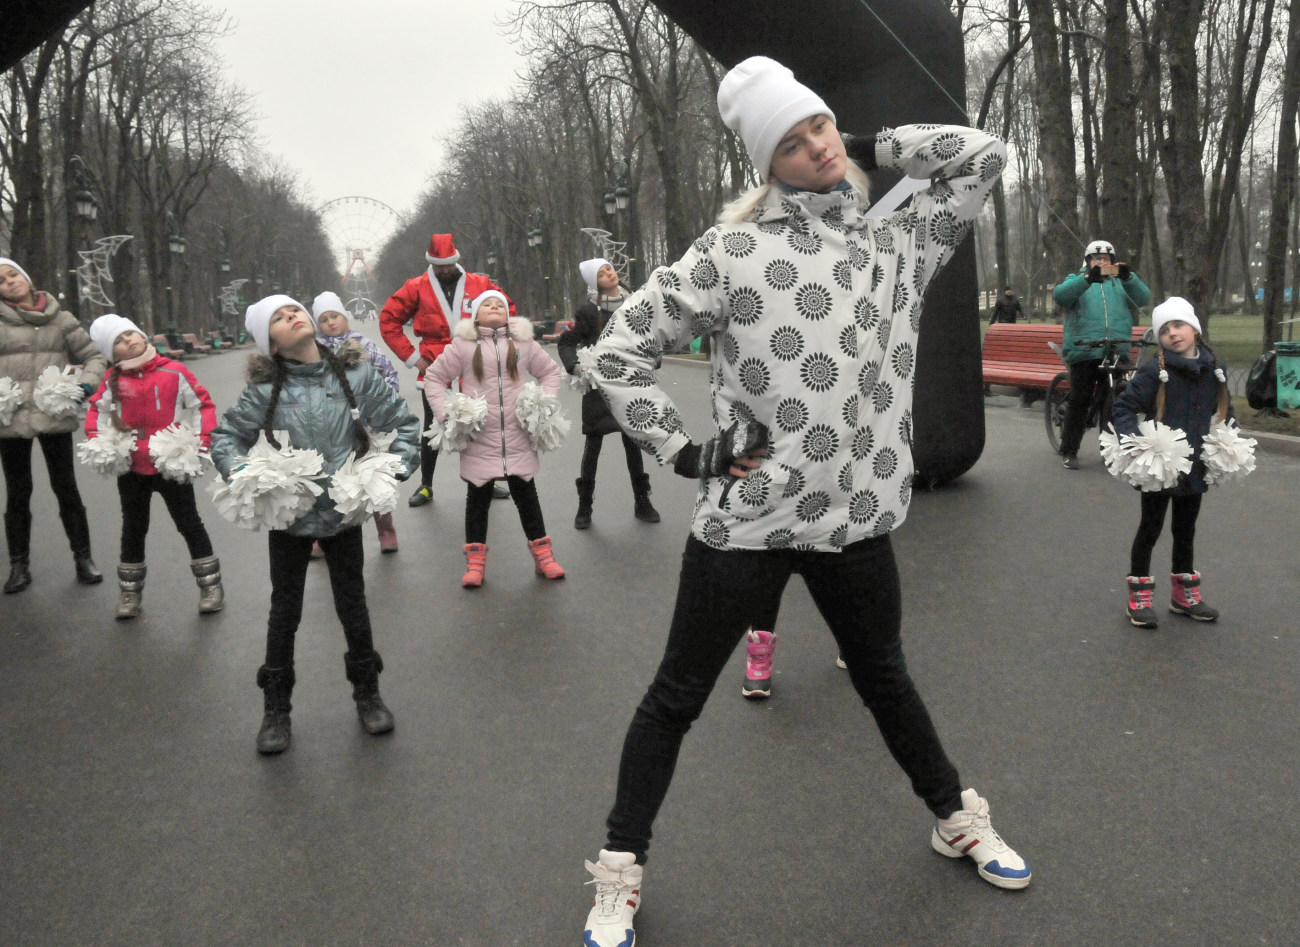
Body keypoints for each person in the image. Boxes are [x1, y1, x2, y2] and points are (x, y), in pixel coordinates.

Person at [576, 56, 1030, 947]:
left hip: (855, 522)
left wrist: (870, 143)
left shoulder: (897, 236)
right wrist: (684, 449)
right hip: (750, 524)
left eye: (818, 124)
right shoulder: (732, 252)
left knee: (886, 678)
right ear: (764, 165)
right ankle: (619, 874)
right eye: (792, 141)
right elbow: (617, 350)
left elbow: (983, 155)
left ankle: (955, 816)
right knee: (675, 698)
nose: (816, 146)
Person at [210, 295, 420, 754]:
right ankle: (276, 709)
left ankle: (368, 694)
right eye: (278, 319)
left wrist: (392, 470)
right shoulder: (263, 391)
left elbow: (404, 424)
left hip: (344, 517)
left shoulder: (355, 375)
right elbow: (226, 438)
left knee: (353, 606)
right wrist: (245, 475)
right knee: (284, 613)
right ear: (271, 343)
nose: (291, 315)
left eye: (293, 309)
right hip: (289, 522)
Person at [424, 291, 566, 587]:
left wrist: (543, 402)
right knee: (477, 499)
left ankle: (544, 558)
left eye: (499, 304)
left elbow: (550, 372)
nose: (494, 307)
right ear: (475, 315)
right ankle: (475, 565)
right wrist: (448, 413)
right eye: (487, 304)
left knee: (527, 497)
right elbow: (435, 379)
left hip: (518, 438)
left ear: (508, 313)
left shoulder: (524, 343)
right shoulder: (462, 346)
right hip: (479, 439)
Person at [84, 314, 222, 618]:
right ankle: (129, 593)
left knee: (189, 523)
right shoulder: (113, 380)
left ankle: (211, 585)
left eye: (130, 334)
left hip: (171, 462)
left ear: (143, 336)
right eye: (118, 341)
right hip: (133, 466)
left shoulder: (174, 371)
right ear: (112, 353)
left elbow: (201, 405)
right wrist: (99, 440)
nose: (128, 341)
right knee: (133, 528)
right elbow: (97, 410)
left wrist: (201, 441)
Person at [1112, 297, 1229, 627]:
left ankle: (1183, 596)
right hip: (1160, 468)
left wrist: (1225, 441)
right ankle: (1139, 595)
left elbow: (1224, 411)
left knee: (1186, 530)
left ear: (1194, 328)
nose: (1173, 333)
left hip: (1195, 465)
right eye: (1164, 330)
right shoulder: (1155, 370)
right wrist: (1134, 443)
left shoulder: (1214, 369)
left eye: (1178, 325)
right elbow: (1122, 408)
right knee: (1150, 528)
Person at [379, 233, 512, 507]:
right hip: (435, 366)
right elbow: (389, 319)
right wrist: (413, 357)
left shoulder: (480, 284)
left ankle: (487, 478)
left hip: (474, 363)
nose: (444, 270)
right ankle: (426, 485)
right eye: (439, 265)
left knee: (482, 424)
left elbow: (505, 308)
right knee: (432, 426)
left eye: (448, 264)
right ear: (431, 263)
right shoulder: (416, 286)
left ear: (456, 260)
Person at [0, 257, 107, 592]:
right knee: (18, 492)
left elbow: (95, 356)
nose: (8, 282)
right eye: (0, 281)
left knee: (66, 487)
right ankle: (19, 566)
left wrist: (84, 387)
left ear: (26, 277)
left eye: (12, 274)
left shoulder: (60, 318)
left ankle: (83, 558)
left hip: (53, 411)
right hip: (11, 416)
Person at [556, 258, 661, 529]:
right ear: (594, 283)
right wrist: (576, 366)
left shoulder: (635, 302)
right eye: (601, 274)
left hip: (629, 385)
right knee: (593, 446)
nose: (608, 275)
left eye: (609, 269)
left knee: (633, 443)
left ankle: (642, 501)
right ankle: (585, 506)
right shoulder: (587, 311)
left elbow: (649, 334)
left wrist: (653, 355)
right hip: (598, 389)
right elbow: (567, 341)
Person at [314, 291, 401, 553]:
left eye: (335, 316)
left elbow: (388, 374)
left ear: (345, 316)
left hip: (365, 426)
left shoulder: (363, 344)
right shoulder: (313, 349)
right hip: (327, 427)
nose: (331, 323)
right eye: (324, 319)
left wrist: (380, 407)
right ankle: (324, 534)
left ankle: (386, 530)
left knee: (371, 477)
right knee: (329, 483)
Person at [1052, 240, 1151, 469]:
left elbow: (1143, 298)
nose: (1102, 262)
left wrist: (1129, 278)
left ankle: (1109, 450)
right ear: (1088, 261)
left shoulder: (1120, 283)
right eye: (1097, 258)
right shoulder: (1076, 280)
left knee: (1114, 401)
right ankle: (1069, 450)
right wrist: (1087, 279)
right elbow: (1061, 295)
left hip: (1116, 348)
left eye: (1107, 259)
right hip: (1085, 349)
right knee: (1080, 399)